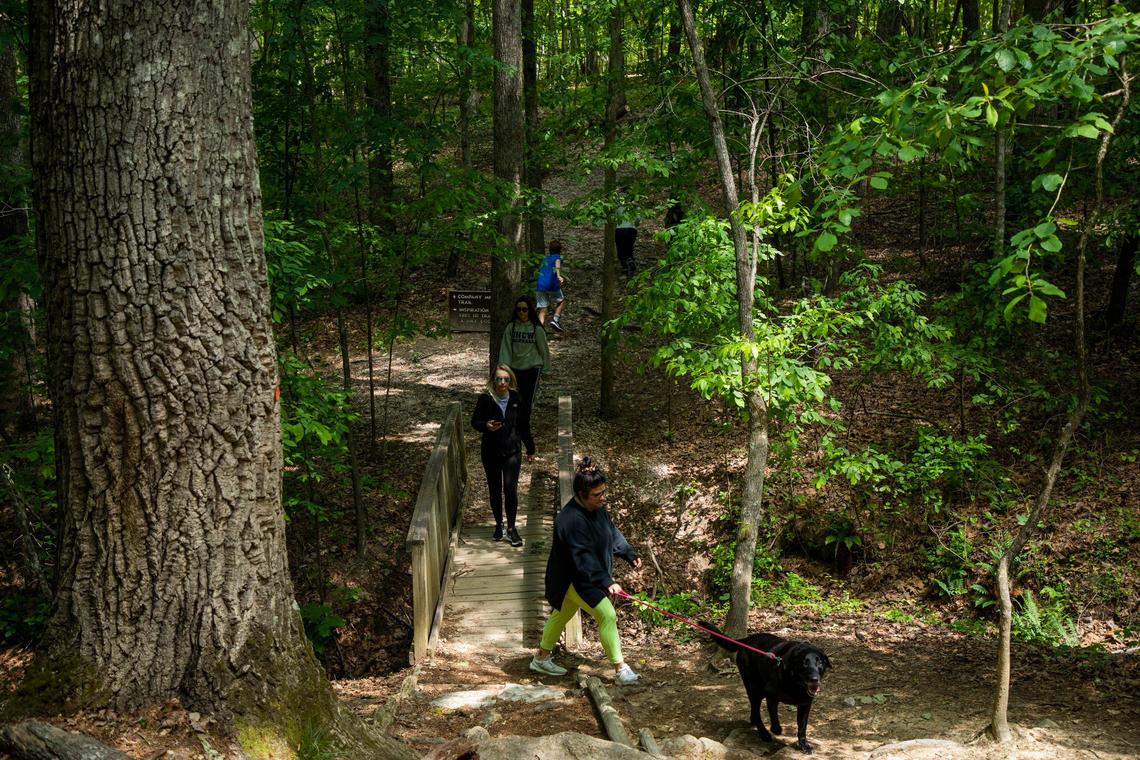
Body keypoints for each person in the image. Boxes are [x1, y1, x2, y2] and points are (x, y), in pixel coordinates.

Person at [530, 457, 642, 685]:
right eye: (597, 494)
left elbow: (611, 532)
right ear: (581, 494)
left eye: (603, 492)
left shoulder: (598, 509)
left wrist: (628, 553)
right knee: (607, 614)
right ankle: (620, 669)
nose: (602, 498)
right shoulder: (569, 520)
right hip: (573, 579)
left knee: (562, 614)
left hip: (587, 577)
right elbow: (582, 557)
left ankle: (540, 658)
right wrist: (605, 580)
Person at [470, 365, 533, 547]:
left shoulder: (517, 398)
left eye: (506, 379)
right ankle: (499, 524)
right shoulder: (485, 399)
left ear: (510, 380)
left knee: (510, 489)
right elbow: (475, 421)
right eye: (499, 379)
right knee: (494, 489)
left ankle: (512, 529)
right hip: (490, 451)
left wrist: (530, 449)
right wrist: (486, 426)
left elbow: (524, 425)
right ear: (493, 380)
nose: (502, 382)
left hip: (512, 451)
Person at [498, 294, 549, 433]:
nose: (521, 312)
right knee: (513, 398)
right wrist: (504, 368)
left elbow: (544, 350)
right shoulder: (511, 327)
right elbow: (506, 348)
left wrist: (547, 369)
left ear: (529, 310)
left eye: (524, 309)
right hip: (514, 369)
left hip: (532, 368)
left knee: (527, 399)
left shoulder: (536, 329)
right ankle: (515, 424)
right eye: (519, 309)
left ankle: (524, 427)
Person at [536, 239, 566, 332]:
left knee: (543, 309)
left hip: (540, 285)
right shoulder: (558, 257)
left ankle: (538, 330)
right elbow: (557, 263)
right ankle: (555, 320)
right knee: (561, 301)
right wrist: (558, 275)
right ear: (560, 250)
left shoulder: (544, 259)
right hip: (551, 284)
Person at [615, 190, 638, 277]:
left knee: (621, 249)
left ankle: (625, 266)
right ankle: (630, 261)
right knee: (629, 247)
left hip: (619, 229)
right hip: (631, 229)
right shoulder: (634, 205)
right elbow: (638, 219)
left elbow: (613, 217)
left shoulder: (616, 205)